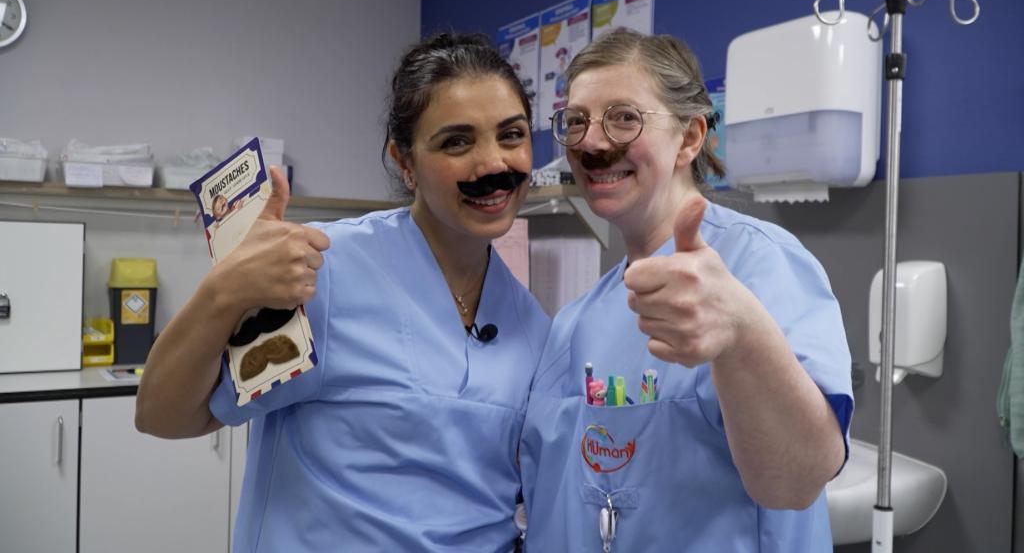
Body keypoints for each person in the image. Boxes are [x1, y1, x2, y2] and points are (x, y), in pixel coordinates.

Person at [135, 32, 550, 552]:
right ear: (405, 162)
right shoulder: (323, 272)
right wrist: (225, 293)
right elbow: (163, 416)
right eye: (456, 142)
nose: (492, 164)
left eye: (511, 135)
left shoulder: (532, 326)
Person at [519, 31, 853, 551]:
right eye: (577, 121)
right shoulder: (578, 319)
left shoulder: (760, 266)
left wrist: (743, 335)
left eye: (624, 117)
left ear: (691, 138)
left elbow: (796, 481)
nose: (591, 143)